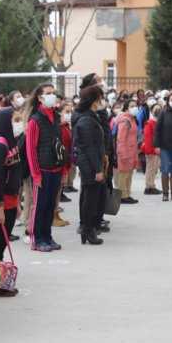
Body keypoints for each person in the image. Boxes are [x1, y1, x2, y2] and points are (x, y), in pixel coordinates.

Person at [0, 107, 24, 297]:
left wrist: (16, 202)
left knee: (1, 242)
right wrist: (0, 207)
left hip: (10, 200)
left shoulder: (12, 142)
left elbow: (14, 175)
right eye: (15, 120)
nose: (19, 123)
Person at [24, 83, 67, 252]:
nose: (52, 96)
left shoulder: (56, 117)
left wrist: (63, 169)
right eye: (48, 93)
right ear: (40, 98)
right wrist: (36, 174)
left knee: (50, 205)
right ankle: (37, 238)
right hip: (42, 170)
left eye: (54, 93)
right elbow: (31, 149)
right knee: (39, 205)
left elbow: (60, 145)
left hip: (56, 168)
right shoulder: (35, 120)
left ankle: (47, 236)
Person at [72, 86, 105, 245]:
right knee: (90, 198)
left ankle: (88, 229)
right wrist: (97, 169)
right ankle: (87, 229)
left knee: (90, 196)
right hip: (89, 164)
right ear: (94, 99)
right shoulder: (86, 119)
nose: (102, 101)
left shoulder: (90, 116)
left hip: (91, 162)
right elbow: (88, 146)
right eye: (100, 97)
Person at [115, 99, 140, 204]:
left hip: (132, 151)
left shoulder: (132, 119)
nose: (135, 108)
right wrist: (123, 154)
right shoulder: (125, 121)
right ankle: (122, 196)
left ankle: (127, 193)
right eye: (132, 106)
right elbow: (120, 139)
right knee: (124, 175)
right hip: (125, 152)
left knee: (129, 174)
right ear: (126, 108)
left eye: (135, 105)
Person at [52, 103, 73, 227]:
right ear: (60, 113)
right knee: (56, 192)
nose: (70, 114)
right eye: (67, 111)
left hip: (66, 164)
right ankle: (53, 216)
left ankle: (56, 214)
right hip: (61, 164)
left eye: (71, 111)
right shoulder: (60, 128)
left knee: (58, 191)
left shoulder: (66, 127)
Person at [140, 104, 163, 195]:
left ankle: (152, 185)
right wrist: (149, 151)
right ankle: (149, 186)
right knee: (151, 168)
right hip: (151, 151)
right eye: (156, 109)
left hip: (157, 150)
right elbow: (148, 139)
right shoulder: (149, 123)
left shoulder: (158, 122)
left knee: (154, 169)